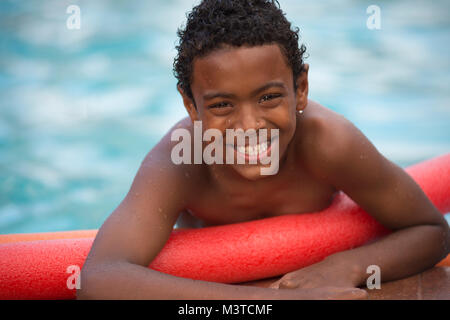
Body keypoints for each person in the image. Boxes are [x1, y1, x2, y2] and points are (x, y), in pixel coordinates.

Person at [77, 0, 449, 300]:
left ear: (300, 88)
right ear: (191, 106)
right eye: (222, 105)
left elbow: (432, 230)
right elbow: (101, 276)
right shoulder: (183, 159)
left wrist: (349, 266)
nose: (250, 126)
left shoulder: (327, 142)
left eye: (269, 97)